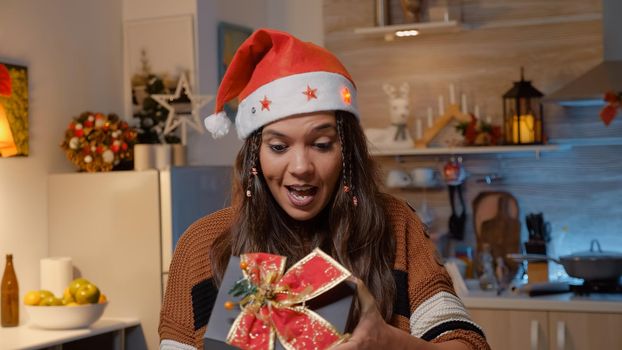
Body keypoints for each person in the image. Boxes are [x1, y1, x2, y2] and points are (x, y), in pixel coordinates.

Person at [159, 28, 490, 350]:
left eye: (320, 144)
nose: (301, 166)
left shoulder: (396, 225)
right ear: (254, 157)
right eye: (278, 147)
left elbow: (470, 345)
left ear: (346, 150)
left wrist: (388, 343)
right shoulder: (201, 245)